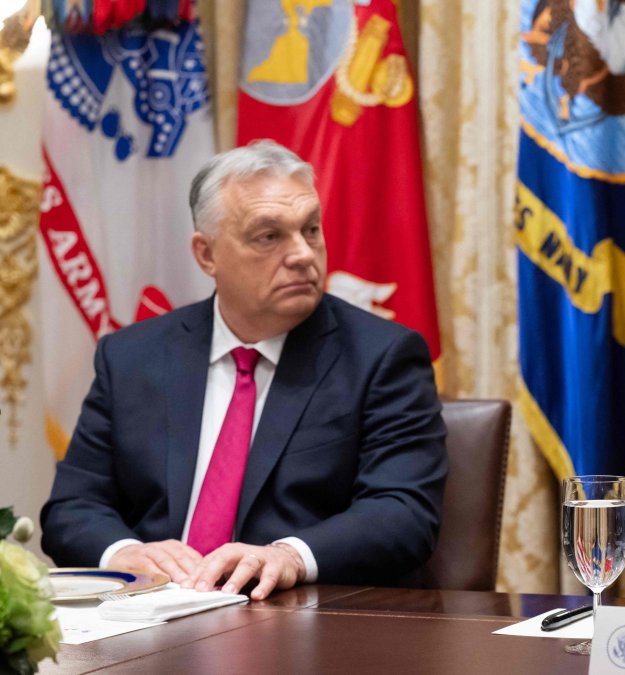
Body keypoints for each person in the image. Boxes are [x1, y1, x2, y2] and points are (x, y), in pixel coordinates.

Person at [41, 140, 447, 599]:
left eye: (311, 229)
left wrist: (290, 555)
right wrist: (124, 552)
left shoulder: (382, 357)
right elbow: (73, 507)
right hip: (151, 611)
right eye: (269, 236)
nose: (302, 254)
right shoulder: (132, 357)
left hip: (294, 614)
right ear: (206, 255)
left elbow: (404, 512)